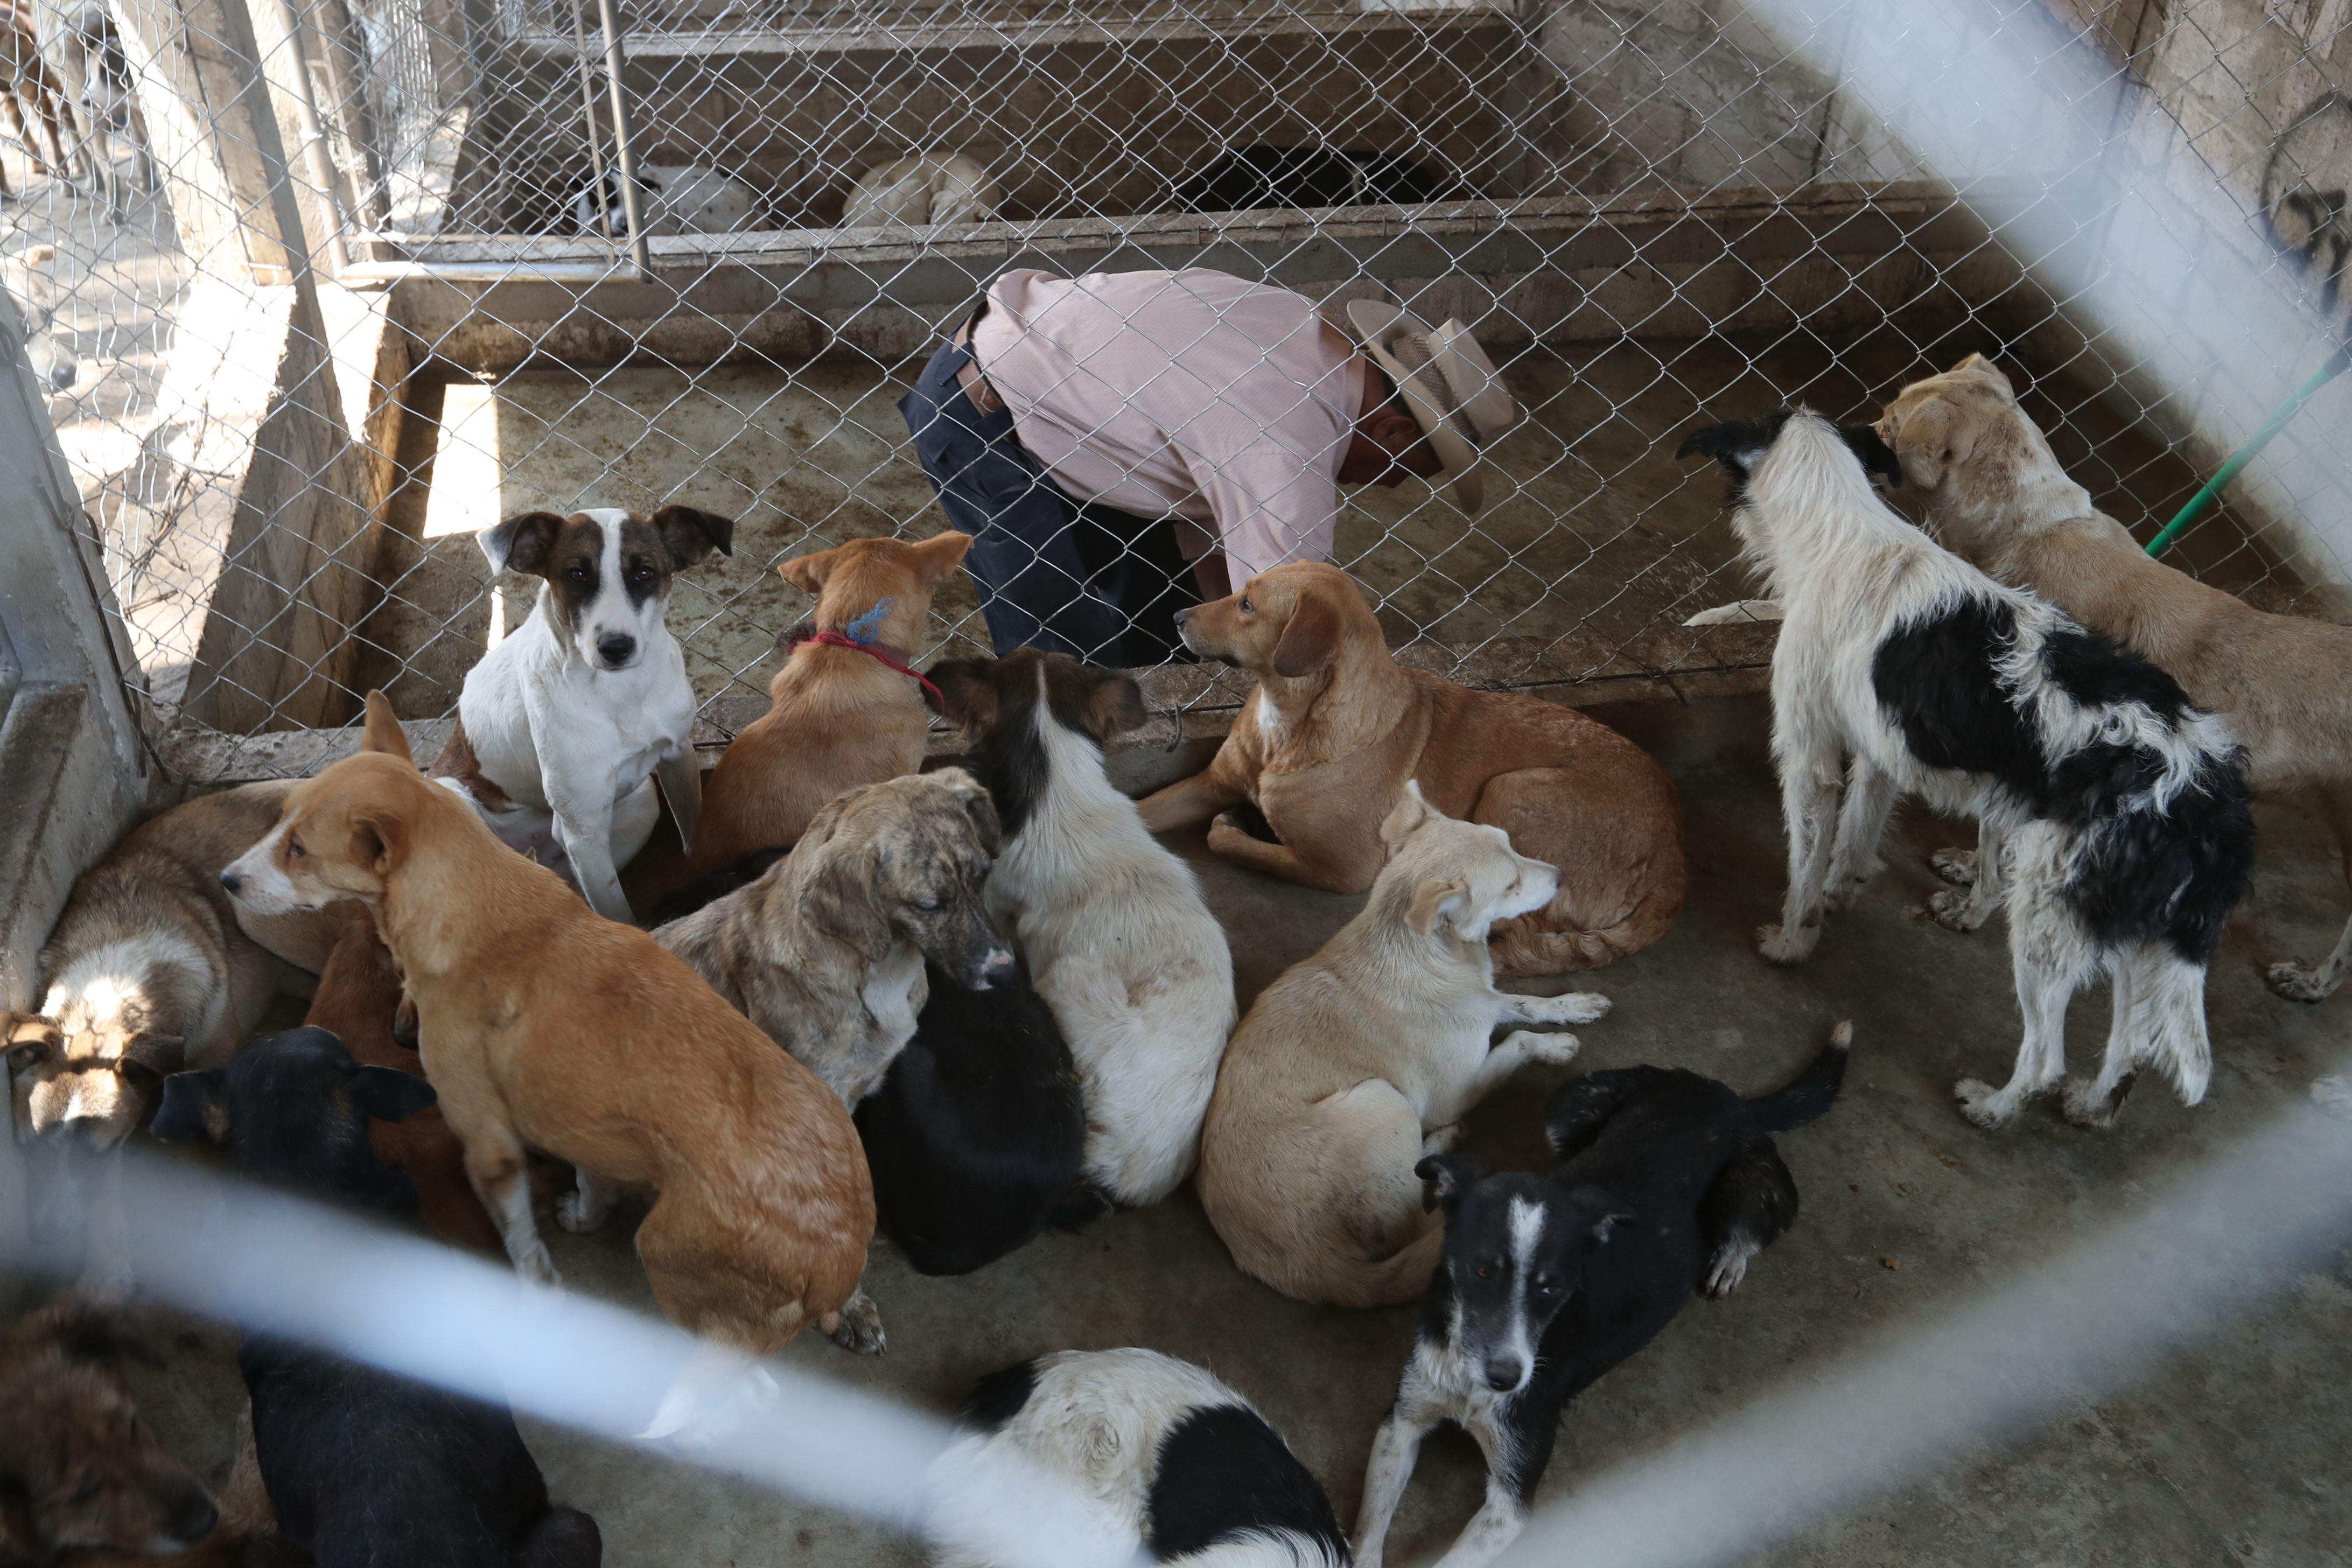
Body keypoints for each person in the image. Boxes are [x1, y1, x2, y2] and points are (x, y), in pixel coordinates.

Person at [898, 267, 1517, 666]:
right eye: (1404, 468)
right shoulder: (1287, 445)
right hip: (986, 418)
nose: (1390, 487)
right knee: (1067, 658)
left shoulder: (1303, 325)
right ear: (1394, 428)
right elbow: (1282, 620)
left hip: (1042, 376)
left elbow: (1224, 543)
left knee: (1162, 620)